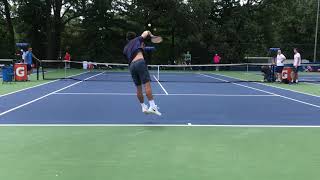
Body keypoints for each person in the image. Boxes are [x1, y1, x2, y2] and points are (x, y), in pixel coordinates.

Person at [123, 31, 161, 116]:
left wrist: (142, 48)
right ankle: (152, 106)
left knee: (138, 88)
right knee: (147, 85)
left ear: (127, 39)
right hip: (140, 62)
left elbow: (131, 55)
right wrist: (151, 35)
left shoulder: (125, 48)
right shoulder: (137, 40)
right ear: (134, 37)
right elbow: (146, 32)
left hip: (131, 67)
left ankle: (143, 107)